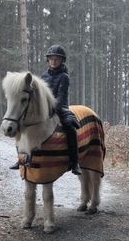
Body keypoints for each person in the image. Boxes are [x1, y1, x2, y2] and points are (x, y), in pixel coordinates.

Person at [10, 44, 82, 175]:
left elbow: (60, 98)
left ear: (61, 61)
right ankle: (20, 158)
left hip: (60, 109)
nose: (54, 61)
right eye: (51, 59)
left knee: (70, 128)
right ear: (48, 60)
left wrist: (51, 109)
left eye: (57, 59)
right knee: (21, 126)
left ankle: (75, 162)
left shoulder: (64, 77)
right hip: (43, 109)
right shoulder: (43, 76)